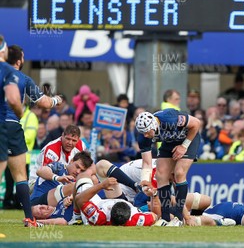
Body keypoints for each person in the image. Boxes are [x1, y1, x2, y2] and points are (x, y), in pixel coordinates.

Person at [0, 45, 62, 226]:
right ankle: (29, 218)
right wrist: (57, 99)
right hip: (11, 127)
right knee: (20, 176)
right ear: (19, 61)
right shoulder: (21, 78)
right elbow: (45, 103)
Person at [135, 108, 201, 226]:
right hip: (170, 141)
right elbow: (146, 162)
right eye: (142, 132)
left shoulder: (169, 119)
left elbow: (196, 123)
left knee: (179, 173)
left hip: (188, 138)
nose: (145, 135)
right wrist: (145, 180)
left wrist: (184, 146)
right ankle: (165, 217)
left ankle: (178, 217)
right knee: (160, 175)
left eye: (147, 131)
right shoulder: (143, 137)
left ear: (154, 125)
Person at [73, 177, 157, 226]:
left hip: (98, 205)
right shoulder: (136, 219)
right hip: (114, 202)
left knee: (82, 181)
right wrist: (155, 194)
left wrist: (101, 185)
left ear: (110, 212)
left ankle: (76, 218)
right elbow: (155, 216)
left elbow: (79, 199)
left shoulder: (99, 217)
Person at [30, 125, 87, 189]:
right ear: (62, 136)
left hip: (63, 181)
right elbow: (45, 175)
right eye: (68, 139)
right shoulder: (52, 150)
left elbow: (89, 165)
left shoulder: (81, 146)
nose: (70, 143)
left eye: (74, 140)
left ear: (78, 140)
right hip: (37, 182)